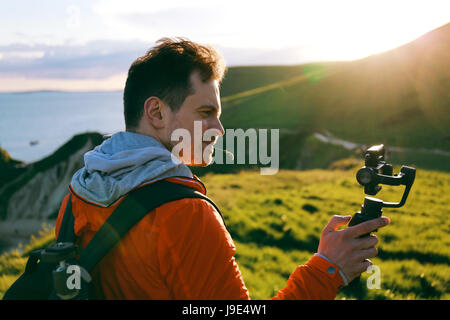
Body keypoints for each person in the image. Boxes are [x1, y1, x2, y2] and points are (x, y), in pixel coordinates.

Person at [55, 37, 390, 299]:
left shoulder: (80, 193)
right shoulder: (184, 214)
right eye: (205, 112)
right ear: (156, 113)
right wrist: (328, 270)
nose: (219, 129)